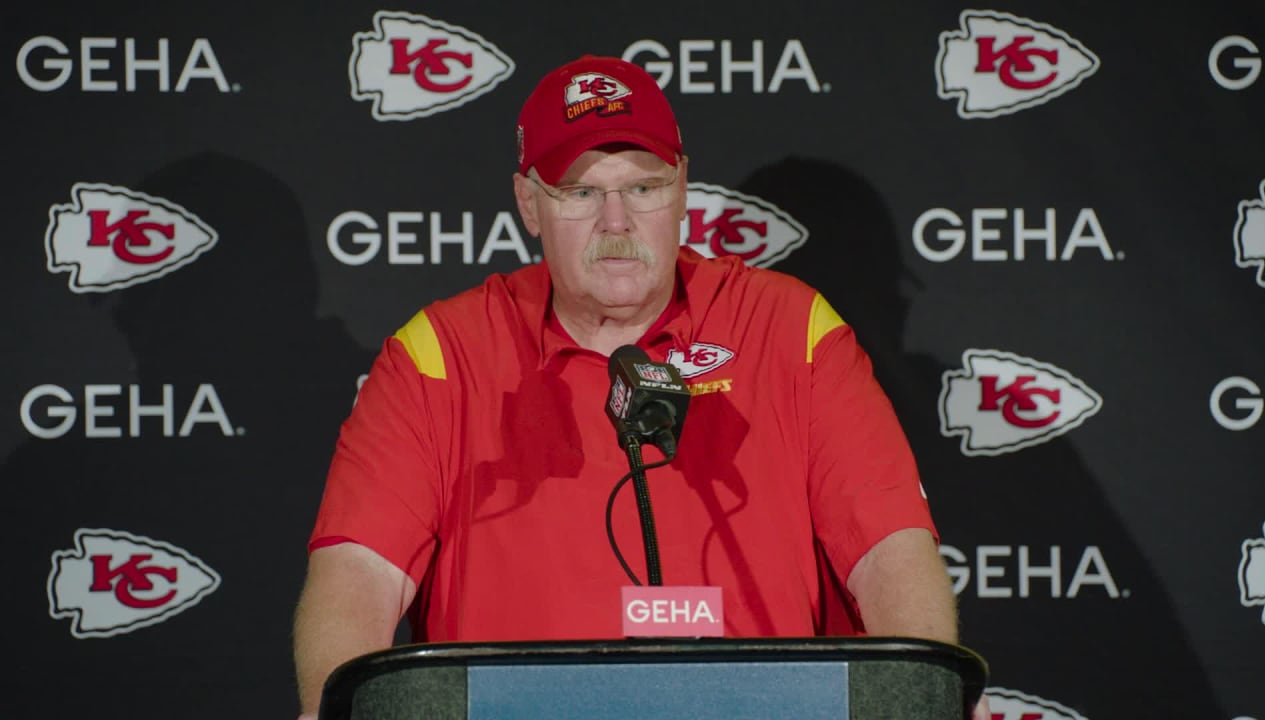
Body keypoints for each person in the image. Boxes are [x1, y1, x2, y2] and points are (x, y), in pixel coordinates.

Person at [293, 55, 985, 719]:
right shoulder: (437, 356)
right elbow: (360, 573)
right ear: (528, 203)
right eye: (582, 192)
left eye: (643, 188)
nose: (616, 222)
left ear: (682, 187)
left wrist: (929, 697)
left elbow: (889, 550)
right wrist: (330, 707)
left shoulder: (789, 328)